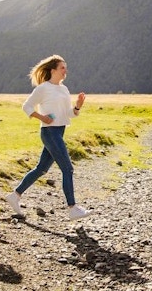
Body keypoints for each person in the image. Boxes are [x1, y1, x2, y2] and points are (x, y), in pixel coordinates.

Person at [6, 54, 92, 221]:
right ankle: (73, 208)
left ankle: (15, 195)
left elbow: (69, 114)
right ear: (53, 70)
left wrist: (77, 107)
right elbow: (27, 106)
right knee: (67, 168)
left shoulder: (64, 89)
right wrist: (42, 117)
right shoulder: (43, 88)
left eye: (66, 68)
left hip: (59, 131)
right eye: (62, 68)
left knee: (41, 169)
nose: (65, 70)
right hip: (49, 132)